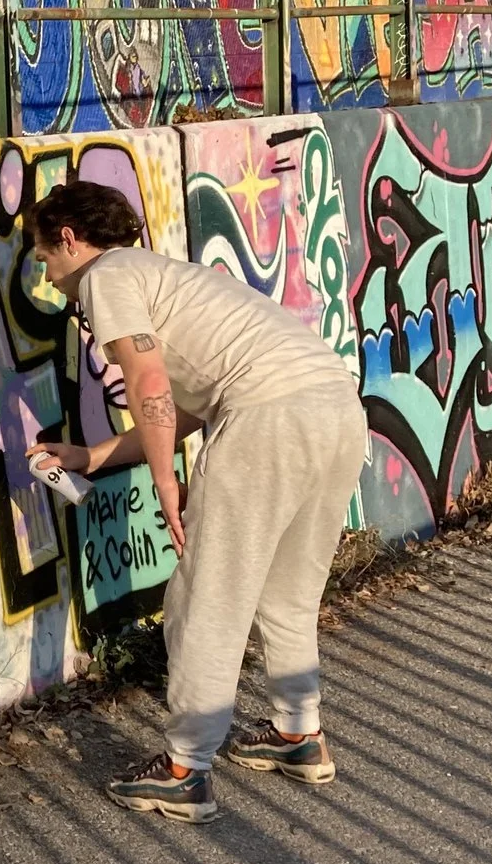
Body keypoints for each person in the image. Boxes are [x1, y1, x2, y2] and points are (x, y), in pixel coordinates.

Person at [21, 181, 368, 824]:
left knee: (206, 595)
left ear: (69, 238)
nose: (49, 277)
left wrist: (164, 481)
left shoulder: (107, 274)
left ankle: (185, 768)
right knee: (285, 593)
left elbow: (148, 382)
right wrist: (91, 457)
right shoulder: (168, 278)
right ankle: (299, 733)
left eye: (44, 258)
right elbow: (181, 409)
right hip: (336, 411)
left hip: (269, 419)